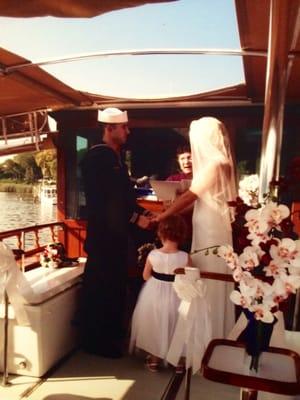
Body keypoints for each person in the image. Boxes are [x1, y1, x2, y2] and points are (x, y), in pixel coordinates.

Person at [153, 117, 237, 339]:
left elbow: (192, 195)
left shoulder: (216, 163)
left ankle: (209, 339)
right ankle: (206, 336)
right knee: (203, 281)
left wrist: (163, 215)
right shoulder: (219, 162)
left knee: (208, 282)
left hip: (212, 231)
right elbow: (197, 201)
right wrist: (169, 211)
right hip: (207, 226)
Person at [80, 107, 151, 358]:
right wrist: (136, 219)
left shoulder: (112, 158)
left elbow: (123, 197)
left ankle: (107, 335)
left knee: (112, 287)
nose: (128, 131)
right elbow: (110, 203)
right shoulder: (101, 158)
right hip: (105, 237)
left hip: (113, 236)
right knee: (103, 288)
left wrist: (143, 215)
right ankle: (97, 342)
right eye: (124, 127)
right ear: (110, 129)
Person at [129, 215, 192, 372]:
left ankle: (154, 359)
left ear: (160, 234)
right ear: (182, 234)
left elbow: (145, 275)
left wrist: (156, 284)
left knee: (155, 325)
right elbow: (190, 277)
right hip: (177, 294)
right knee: (176, 324)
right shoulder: (185, 257)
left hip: (154, 294)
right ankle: (177, 360)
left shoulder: (153, 254)